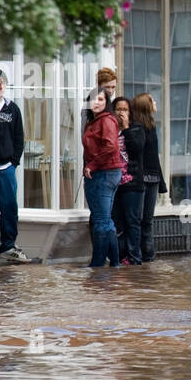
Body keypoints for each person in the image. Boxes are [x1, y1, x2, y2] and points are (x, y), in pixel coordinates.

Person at [0, 68, 31, 265]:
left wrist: (14, 161)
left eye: (3, 82)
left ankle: (9, 246)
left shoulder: (12, 108)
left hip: (6, 167)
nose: (0, 86)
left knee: (9, 207)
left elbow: (19, 137)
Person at [82, 90, 123, 267]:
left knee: (100, 221)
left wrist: (92, 165)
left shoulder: (106, 120)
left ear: (107, 102)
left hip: (104, 173)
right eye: (93, 99)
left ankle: (97, 265)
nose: (96, 102)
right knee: (106, 220)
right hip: (105, 173)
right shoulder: (95, 121)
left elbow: (110, 146)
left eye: (100, 99)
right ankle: (115, 262)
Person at [112, 96, 146, 265]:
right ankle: (120, 256)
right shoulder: (110, 129)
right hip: (113, 182)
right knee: (117, 222)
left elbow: (137, 149)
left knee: (132, 221)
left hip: (132, 182)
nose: (121, 113)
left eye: (125, 110)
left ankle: (134, 258)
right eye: (118, 109)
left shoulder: (137, 128)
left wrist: (125, 128)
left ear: (130, 112)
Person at [135, 93, 167, 263]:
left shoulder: (152, 126)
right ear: (146, 106)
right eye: (152, 100)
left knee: (147, 219)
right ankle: (141, 255)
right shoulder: (138, 127)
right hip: (142, 178)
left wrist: (161, 181)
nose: (155, 102)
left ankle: (148, 256)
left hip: (153, 177)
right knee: (140, 219)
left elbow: (154, 156)